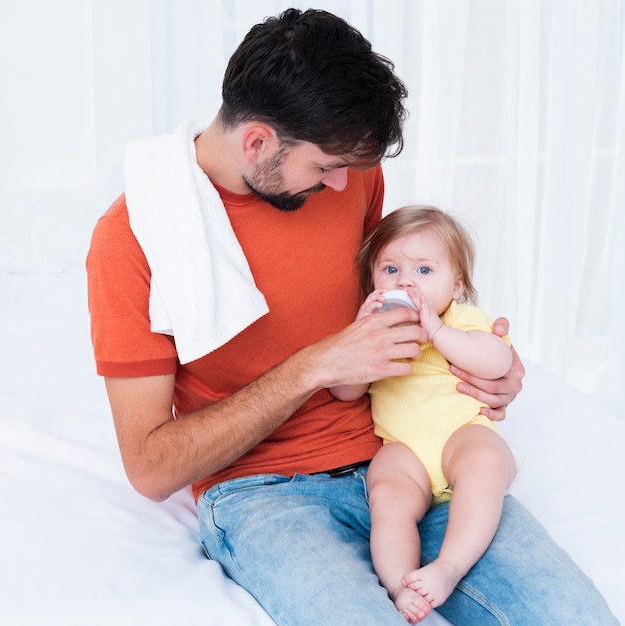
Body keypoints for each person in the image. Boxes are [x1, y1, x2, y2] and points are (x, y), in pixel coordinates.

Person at [86, 8, 617, 625]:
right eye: (324, 167)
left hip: (408, 451)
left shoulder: (351, 171)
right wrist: (314, 365)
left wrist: (486, 360)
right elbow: (151, 468)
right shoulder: (132, 238)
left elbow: (406, 300)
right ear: (257, 141)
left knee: (575, 616)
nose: (344, 185)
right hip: (264, 492)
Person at [330, 206, 518, 623]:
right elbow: (344, 392)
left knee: (485, 462)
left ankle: (449, 566)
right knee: (387, 495)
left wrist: (438, 332)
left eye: (424, 271)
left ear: (458, 285)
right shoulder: (378, 332)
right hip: (404, 449)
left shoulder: (462, 319)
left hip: (461, 435)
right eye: (391, 269)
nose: (406, 282)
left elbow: (495, 361)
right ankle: (400, 583)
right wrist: (359, 336)